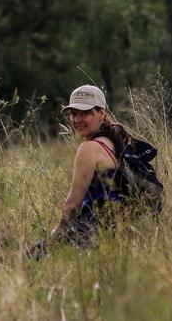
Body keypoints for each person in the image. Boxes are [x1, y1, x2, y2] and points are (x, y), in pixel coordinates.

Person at [48, 85, 132, 246]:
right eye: (73, 114)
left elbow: (72, 205)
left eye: (85, 113)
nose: (77, 120)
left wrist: (57, 236)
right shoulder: (117, 142)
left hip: (93, 233)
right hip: (121, 232)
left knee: (29, 258)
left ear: (102, 113)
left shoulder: (88, 149)